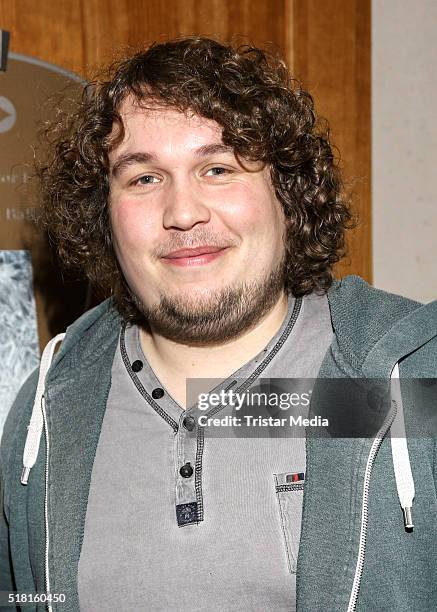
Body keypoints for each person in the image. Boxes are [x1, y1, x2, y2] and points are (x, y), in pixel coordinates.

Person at [1, 36, 436, 612]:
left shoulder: (410, 381)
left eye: (217, 167)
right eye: (144, 178)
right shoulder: (48, 410)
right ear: (103, 213)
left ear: (288, 193)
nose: (183, 213)